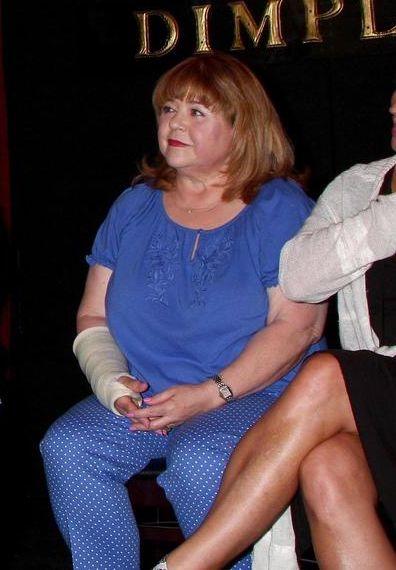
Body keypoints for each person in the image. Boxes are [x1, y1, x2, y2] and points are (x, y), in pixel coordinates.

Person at [158, 23, 396, 570]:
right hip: (371, 421)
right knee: (327, 467)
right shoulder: (361, 187)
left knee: (328, 373)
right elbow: (302, 280)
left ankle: (186, 566)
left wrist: (361, 377)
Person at [40, 53, 326, 570]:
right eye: (169, 108)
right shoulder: (135, 205)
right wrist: (113, 384)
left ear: (243, 127)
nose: (174, 122)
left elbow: (299, 328)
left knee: (199, 459)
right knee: (68, 447)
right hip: (155, 395)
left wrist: (209, 394)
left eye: (198, 112)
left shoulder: (280, 208)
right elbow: (92, 317)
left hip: (259, 392)